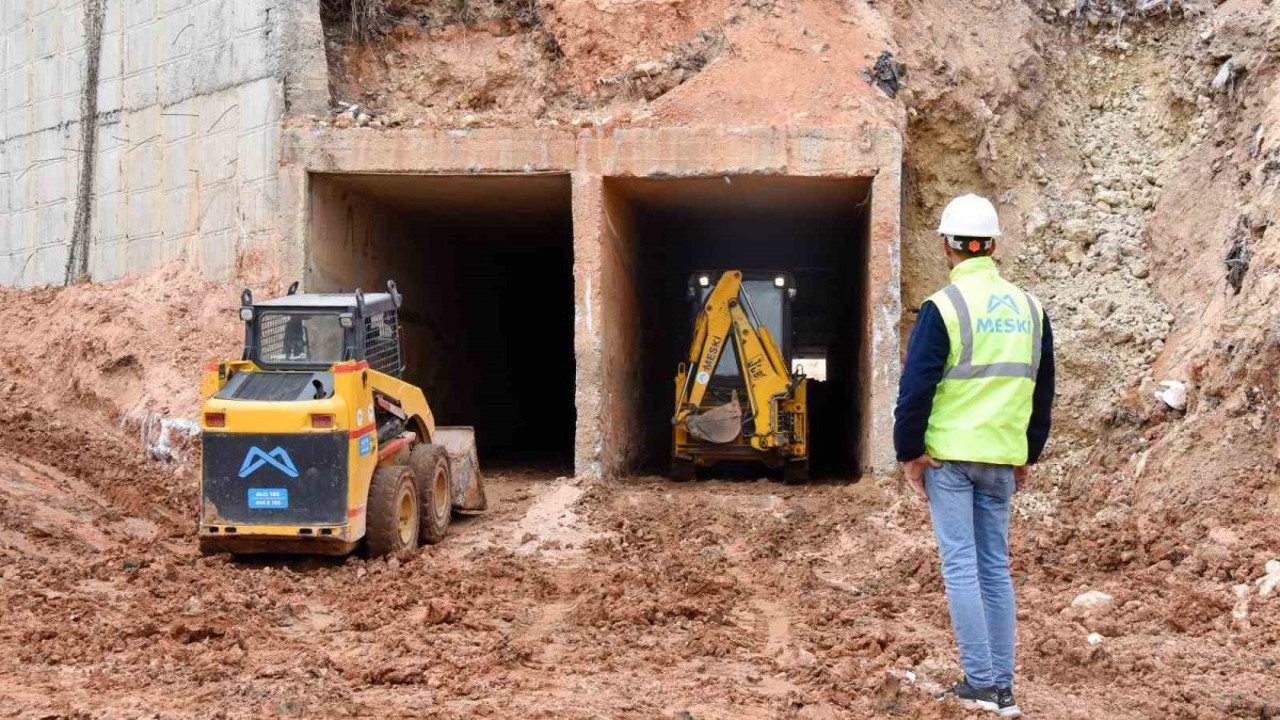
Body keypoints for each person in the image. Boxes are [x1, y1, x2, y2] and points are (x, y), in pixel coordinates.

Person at [893, 194, 1055, 719]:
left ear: (947, 245)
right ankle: (1001, 686)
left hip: (951, 460)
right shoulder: (1032, 309)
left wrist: (910, 452)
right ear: (994, 245)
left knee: (961, 566)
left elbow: (916, 385)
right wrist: (1026, 451)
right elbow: (1041, 389)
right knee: (995, 568)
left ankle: (982, 684)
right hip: (1001, 459)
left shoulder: (944, 307)